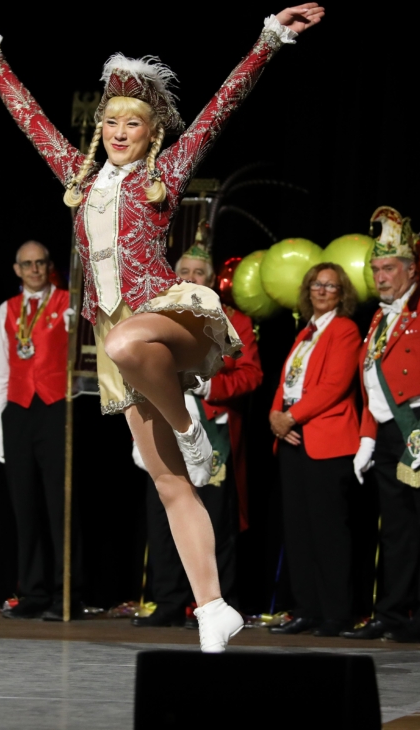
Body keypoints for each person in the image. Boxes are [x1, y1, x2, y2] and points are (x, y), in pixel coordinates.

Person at [0, 0, 324, 652]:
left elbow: (221, 107)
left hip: (168, 318)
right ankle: (214, 608)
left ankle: (190, 429)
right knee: (168, 481)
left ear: (153, 132)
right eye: (112, 120)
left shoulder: (166, 173)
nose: (120, 130)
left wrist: (269, 38)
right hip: (121, 345)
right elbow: (29, 118)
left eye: (134, 122)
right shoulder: (79, 177)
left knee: (128, 342)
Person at [342, 207, 420, 643]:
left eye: (389, 268)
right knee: (394, 530)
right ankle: (391, 613)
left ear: (411, 269)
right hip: (389, 432)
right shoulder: (380, 317)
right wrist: (367, 439)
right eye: (376, 269)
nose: (380, 277)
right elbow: (372, 382)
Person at [131, 239, 262, 628]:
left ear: (212, 279)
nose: (190, 278)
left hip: (212, 430)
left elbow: (251, 374)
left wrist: (209, 386)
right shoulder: (156, 315)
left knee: (214, 521)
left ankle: (215, 604)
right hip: (168, 426)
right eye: (184, 271)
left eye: (198, 273)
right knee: (164, 516)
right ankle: (169, 602)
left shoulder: (235, 320)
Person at [0, 240, 82, 621]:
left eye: (40, 262)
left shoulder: (68, 304)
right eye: (27, 264)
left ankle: (66, 594)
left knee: (61, 507)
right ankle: (33, 592)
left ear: (49, 265)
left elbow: (85, 357)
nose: (35, 269)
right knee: (24, 508)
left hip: (56, 409)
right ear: (17, 270)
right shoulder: (7, 310)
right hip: (19, 411)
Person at [266, 263, 361, 637]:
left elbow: (335, 385)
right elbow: (286, 382)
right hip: (293, 439)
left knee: (328, 532)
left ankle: (336, 614)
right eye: (316, 285)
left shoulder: (345, 330)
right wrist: (276, 416)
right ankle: (307, 609)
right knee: (298, 531)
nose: (322, 291)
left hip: (326, 440)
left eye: (330, 286)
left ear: (342, 294)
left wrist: (290, 417)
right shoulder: (305, 333)